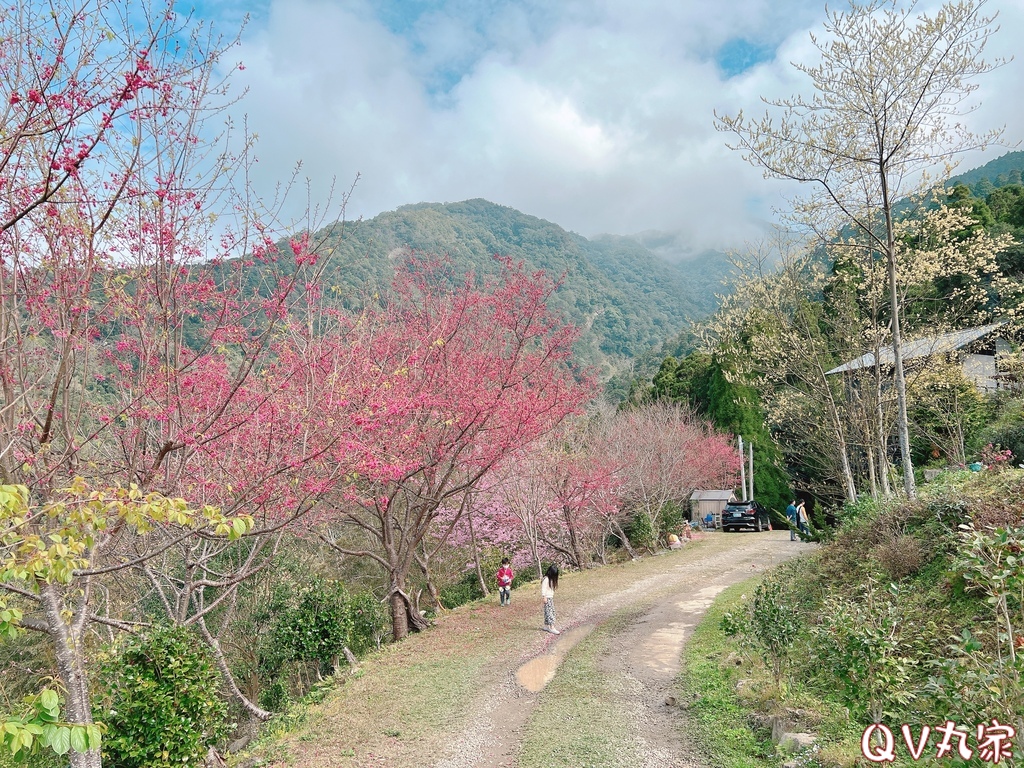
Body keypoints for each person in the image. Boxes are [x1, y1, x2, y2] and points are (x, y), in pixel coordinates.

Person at [540, 564, 560, 635]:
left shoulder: (550, 579)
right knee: (550, 612)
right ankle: (552, 627)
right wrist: (544, 596)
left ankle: (546, 626)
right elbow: (543, 589)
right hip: (547, 598)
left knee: (548, 611)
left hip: (550, 598)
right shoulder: (546, 579)